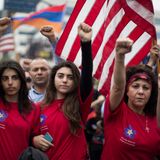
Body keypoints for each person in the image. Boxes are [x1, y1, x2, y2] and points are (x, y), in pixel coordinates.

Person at [33, 22, 93, 160]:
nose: (65, 80)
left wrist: (86, 43)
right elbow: (27, 135)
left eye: (70, 77)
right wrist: (34, 140)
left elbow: (87, 73)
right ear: (53, 79)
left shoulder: (79, 105)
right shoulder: (38, 107)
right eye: (60, 76)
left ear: (75, 82)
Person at [101, 38, 160, 160]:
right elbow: (118, 87)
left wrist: (152, 61)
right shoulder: (117, 111)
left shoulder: (155, 118)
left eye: (146, 88)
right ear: (126, 91)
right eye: (135, 86)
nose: (140, 92)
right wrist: (120, 55)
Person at [0, 60, 40, 160]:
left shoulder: (33, 109)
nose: (10, 83)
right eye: (5, 79)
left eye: (14, 78)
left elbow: (45, 137)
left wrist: (37, 140)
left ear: (21, 80)